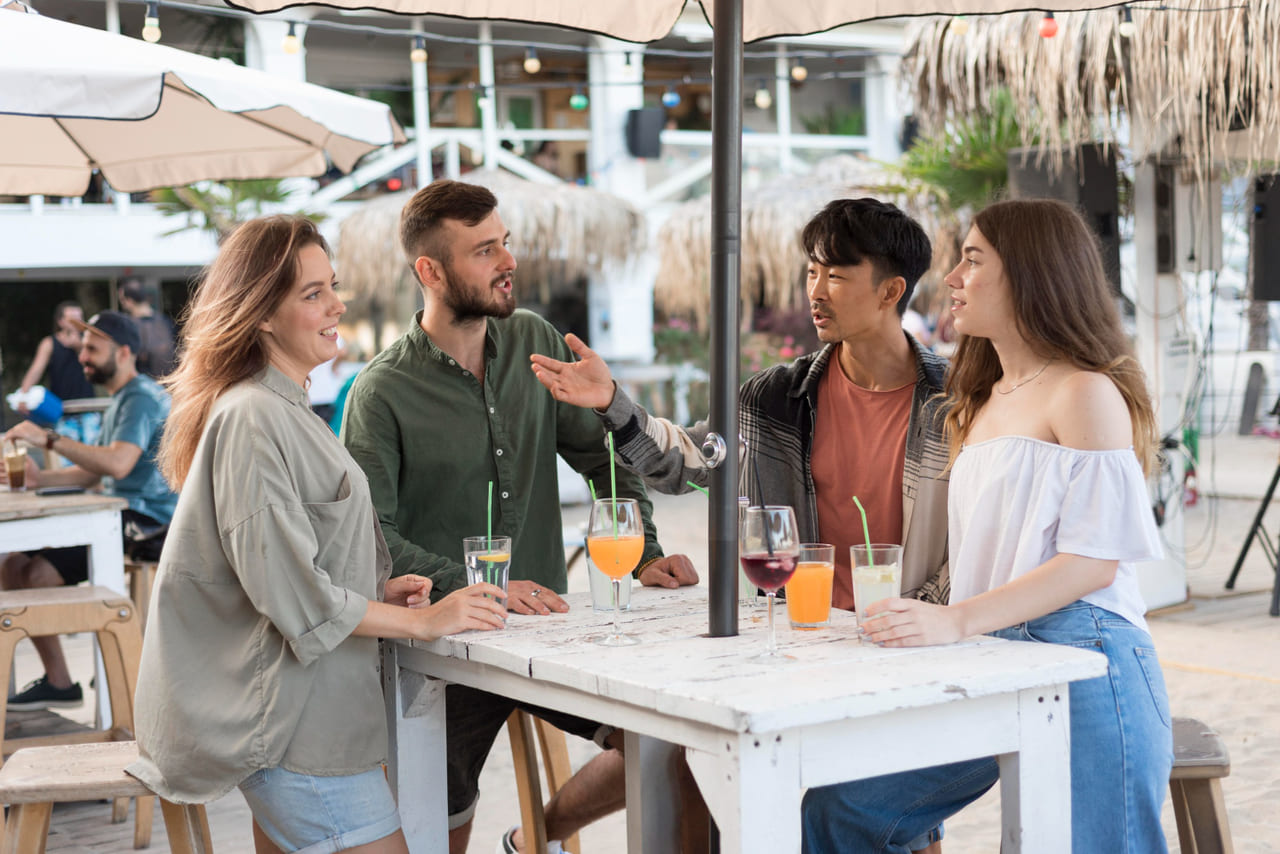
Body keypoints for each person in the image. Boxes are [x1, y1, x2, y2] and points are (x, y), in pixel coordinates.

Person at [800, 199, 1173, 853]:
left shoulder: (1083, 391)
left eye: (972, 261)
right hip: (990, 657)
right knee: (841, 809)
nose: (952, 279)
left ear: (1032, 273)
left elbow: (1095, 562)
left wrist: (956, 620)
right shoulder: (979, 397)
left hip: (1086, 660)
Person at [126, 215, 507, 854]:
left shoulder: (285, 407)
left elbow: (283, 560)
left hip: (314, 719)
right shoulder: (252, 416)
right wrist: (424, 621)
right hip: (292, 730)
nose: (337, 305)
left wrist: (375, 588)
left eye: (332, 286)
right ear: (263, 315)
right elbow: (291, 592)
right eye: (313, 294)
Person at [341, 179, 699, 854]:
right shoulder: (380, 392)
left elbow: (606, 458)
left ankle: (531, 840)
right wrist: (471, 589)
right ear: (431, 271)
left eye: (505, 243)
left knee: (661, 741)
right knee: (434, 827)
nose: (507, 261)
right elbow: (370, 540)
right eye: (483, 251)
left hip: (553, 630)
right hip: (440, 654)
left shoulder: (534, 338)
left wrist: (643, 545)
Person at [532, 198, 951, 611]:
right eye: (811, 273)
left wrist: (928, 612)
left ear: (891, 291)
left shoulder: (958, 403)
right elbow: (684, 461)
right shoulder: (774, 399)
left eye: (836, 276)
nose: (816, 292)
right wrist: (610, 400)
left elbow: (989, 536)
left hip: (917, 638)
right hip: (802, 631)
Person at [1, 310, 177, 711]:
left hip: (148, 523)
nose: (83, 356)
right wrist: (37, 481)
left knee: (36, 575)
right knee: (11, 566)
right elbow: (96, 468)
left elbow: (116, 464)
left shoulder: (141, 398)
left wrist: (48, 440)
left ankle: (116, 667)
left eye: (93, 348)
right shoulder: (122, 399)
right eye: (82, 348)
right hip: (119, 515)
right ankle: (61, 683)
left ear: (125, 351)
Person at [16, 301, 100, 445]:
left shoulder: (88, 342)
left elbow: (100, 365)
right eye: (72, 318)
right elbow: (36, 370)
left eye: (79, 318)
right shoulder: (49, 343)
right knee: (67, 459)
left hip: (88, 409)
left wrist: (80, 347)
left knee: (94, 456)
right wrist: (23, 394)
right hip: (63, 412)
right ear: (61, 321)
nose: (77, 322)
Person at [117, 277, 177, 378]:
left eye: (122, 300)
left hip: (145, 385)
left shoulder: (129, 326)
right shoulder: (165, 322)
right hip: (169, 383)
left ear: (129, 301)